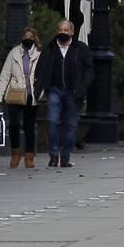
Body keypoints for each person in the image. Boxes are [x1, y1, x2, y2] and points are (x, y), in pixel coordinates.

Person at [34, 19, 94, 168]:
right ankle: (54, 155)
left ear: (72, 32)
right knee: (52, 121)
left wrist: (84, 85)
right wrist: (40, 86)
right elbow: (41, 69)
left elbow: (89, 69)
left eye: (66, 30)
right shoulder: (50, 48)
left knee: (71, 125)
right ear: (57, 31)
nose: (63, 33)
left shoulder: (80, 49)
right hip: (54, 89)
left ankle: (65, 156)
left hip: (73, 92)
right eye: (60, 30)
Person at [0, 26, 41, 168]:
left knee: (29, 126)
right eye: (26, 36)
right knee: (13, 125)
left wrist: (42, 92)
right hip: (15, 92)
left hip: (31, 94)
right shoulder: (13, 53)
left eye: (31, 37)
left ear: (35, 39)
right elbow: (4, 76)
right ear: (22, 37)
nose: (28, 39)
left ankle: (29, 156)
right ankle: (15, 154)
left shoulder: (39, 53)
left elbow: (43, 74)